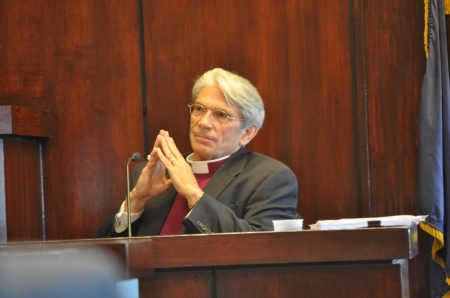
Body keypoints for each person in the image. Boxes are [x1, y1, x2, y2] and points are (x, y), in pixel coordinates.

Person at [93, 68, 299, 237]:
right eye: (199, 109)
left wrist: (193, 193)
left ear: (247, 133)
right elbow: (103, 256)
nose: (203, 123)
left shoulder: (270, 178)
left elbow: (263, 250)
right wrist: (136, 200)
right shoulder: (156, 171)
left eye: (221, 115)